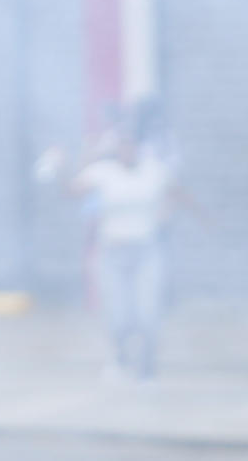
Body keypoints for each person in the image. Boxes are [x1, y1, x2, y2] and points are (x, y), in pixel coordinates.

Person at [71, 130, 187, 381]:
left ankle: (147, 363)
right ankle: (120, 356)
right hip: (113, 252)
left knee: (148, 309)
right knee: (117, 311)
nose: (127, 152)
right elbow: (73, 190)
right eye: (122, 147)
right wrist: (89, 154)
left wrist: (166, 214)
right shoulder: (103, 172)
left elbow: (176, 193)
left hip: (146, 251)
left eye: (131, 146)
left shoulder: (154, 171)